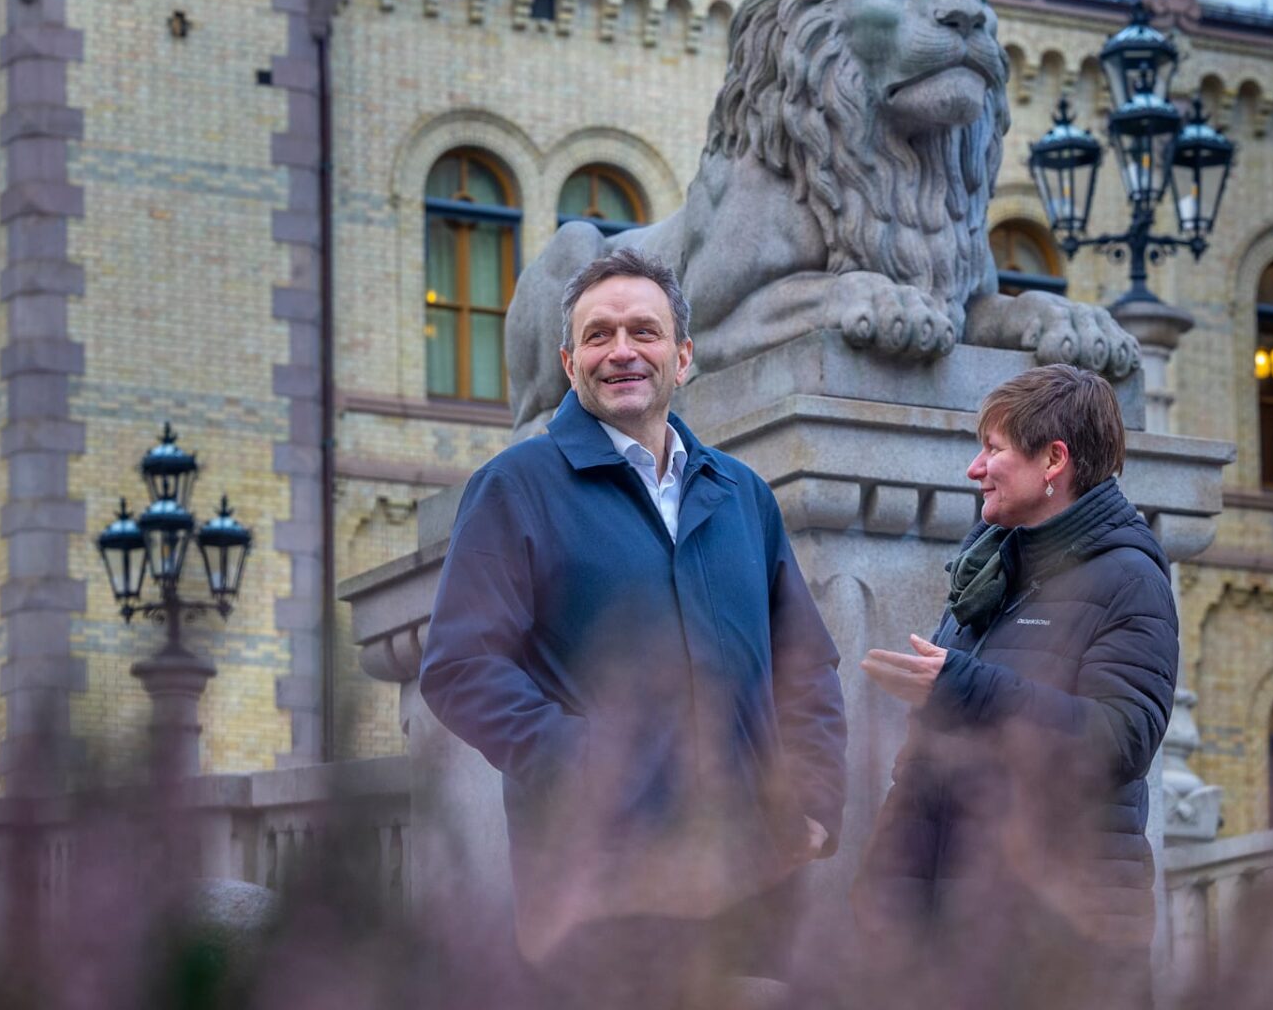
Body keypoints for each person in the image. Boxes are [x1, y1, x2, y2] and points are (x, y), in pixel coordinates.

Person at [419, 248, 847, 1009]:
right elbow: (459, 668)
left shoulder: (741, 494)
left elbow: (806, 665)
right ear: (568, 360)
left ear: (683, 357)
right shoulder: (515, 489)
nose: (621, 352)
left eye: (644, 332)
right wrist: (589, 765)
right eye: (598, 335)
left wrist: (813, 801)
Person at [852, 364, 1179, 1010]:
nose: (976, 469)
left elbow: (1118, 741)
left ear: (1054, 460)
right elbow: (926, 769)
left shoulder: (1130, 579)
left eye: (994, 449)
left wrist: (968, 690)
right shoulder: (988, 574)